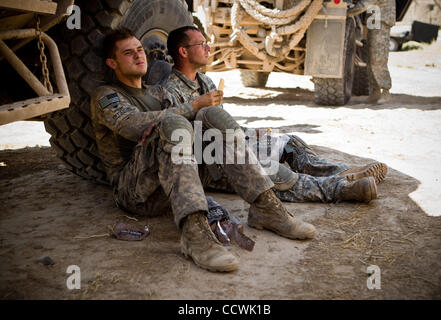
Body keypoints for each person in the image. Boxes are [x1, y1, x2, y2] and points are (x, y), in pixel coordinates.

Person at [90, 27, 316, 273]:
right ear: (112, 63)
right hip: (135, 192)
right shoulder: (107, 95)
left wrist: (201, 111)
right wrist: (189, 107)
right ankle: (195, 234)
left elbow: (195, 122)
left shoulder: (156, 92)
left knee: (211, 114)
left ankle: (265, 207)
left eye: (140, 50)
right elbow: (131, 125)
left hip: (175, 182)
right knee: (175, 122)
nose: (138, 56)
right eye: (128, 53)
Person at [160, 26, 388, 204]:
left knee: (288, 142)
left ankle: (342, 172)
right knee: (273, 172)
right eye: (202, 44)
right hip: (211, 161)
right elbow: (186, 139)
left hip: (229, 144)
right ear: (183, 51)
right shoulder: (170, 91)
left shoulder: (205, 81)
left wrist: (249, 134)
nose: (208, 48)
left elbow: (221, 123)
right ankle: (342, 189)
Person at [365, 0, 396, 104]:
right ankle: (375, 91)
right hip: (374, 20)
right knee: (369, 57)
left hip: (382, 20)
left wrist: (351, 10)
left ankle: (386, 91)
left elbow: (366, 2)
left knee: (378, 57)